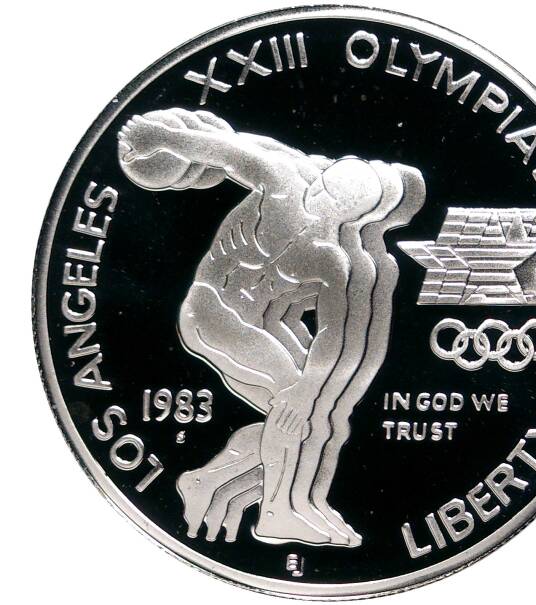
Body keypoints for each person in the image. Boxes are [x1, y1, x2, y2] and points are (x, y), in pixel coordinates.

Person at [118, 108, 425, 546]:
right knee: (291, 403)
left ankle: (240, 489)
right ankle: (277, 513)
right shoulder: (284, 178)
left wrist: (314, 393)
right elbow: (227, 151)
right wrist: (157, 135)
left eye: (341, 204)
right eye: (326, 188)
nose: (323, 200)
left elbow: (341, 338)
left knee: (324, 420)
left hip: (260, 325)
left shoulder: (338, 258)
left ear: (356, 217)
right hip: (211, 311)